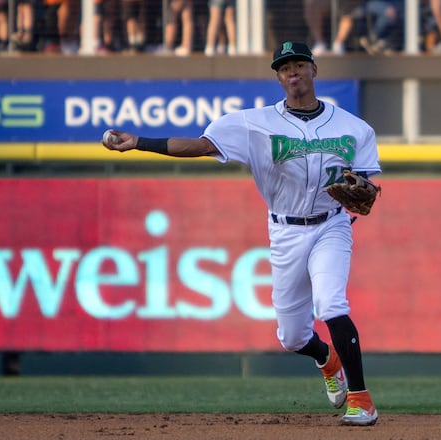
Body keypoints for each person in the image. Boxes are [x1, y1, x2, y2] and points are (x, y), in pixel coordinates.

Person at [102, 41, 381, 427]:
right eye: (285, 68)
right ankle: (326, 359)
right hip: (285, 231)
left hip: (331, 225)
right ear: (279, 77)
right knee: (292, 337)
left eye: (299, 64)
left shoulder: (354, 127)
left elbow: (367, 184)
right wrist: (139, 143)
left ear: (314, 70)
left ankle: (361, 399)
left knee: (332, 303)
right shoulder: (254, 123)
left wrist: (364, 188)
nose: (293, 72)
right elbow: (199, 146)